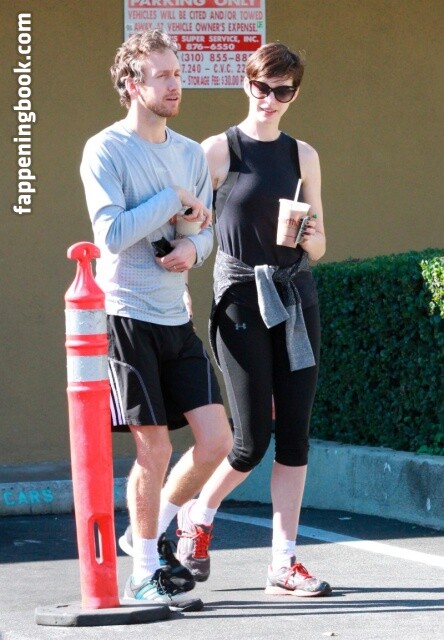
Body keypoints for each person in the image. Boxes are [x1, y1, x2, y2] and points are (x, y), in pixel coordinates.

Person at [80, 29, 232, 607]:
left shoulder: (190, 152)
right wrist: (171, 200)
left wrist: (194, 247)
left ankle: (146, 531)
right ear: (131, 84)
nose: (176, 85)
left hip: (176, 317)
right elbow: (110, 235)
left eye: (178, 74)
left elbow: (206, 230)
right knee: (155, 450)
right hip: (125, 317)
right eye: (162, 75)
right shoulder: (105, 149)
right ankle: (143, 571)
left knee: (217, 441)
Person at [174, 42, 332, 596]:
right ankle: (198, 515)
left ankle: (283, 562)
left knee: (295, 437)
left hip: (295, 297)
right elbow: (187, 227)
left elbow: (321, 245)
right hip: (240, 299)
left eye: (282, 90)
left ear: (294, 94)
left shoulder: (303, 155)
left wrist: (309, 237)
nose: (270, 99)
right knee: (249, 441)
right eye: (262, 87)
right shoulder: (217, 150)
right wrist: (181, 285)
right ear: (247, 84)